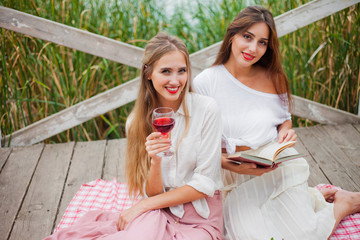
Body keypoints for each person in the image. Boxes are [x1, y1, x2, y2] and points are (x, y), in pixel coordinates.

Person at [192, 5, 360, 240]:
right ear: (232, 35)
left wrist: (286, 134)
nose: (253, 48)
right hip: (231, 176)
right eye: (247, 37)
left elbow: (284, 121)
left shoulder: (274, 78)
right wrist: (231, 165)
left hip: (276, 167)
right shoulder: (205, 83)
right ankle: (312, 198)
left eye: (262, 42)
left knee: (304, 234)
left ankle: (345, 203)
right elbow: (194, 146)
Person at [43, 32, 223, 240]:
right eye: (166, 71)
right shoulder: (136, 123)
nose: (175, 80)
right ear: (148, 73)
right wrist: (155, 162)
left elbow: (204, 184)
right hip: (158, 212)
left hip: (200, 219)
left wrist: (143, 205)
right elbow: (151, 193)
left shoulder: (206, 110)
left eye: (181, 71)